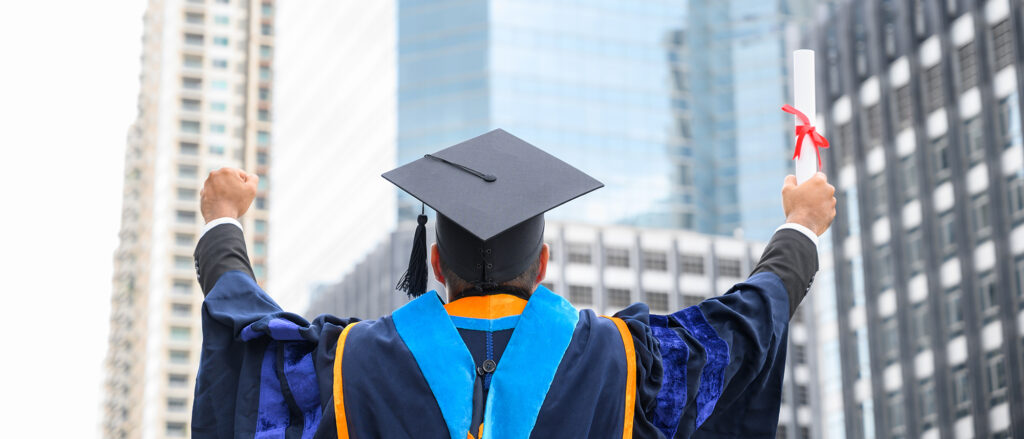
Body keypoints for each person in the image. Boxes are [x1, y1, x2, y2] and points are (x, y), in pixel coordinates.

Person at [191, 129, 836, 438]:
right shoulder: (625, 361)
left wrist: (223, 222)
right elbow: (741, 329)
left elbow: (250, 340)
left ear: (435, 268)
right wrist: (800, 227)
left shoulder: (347, 364)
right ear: (545, 263)